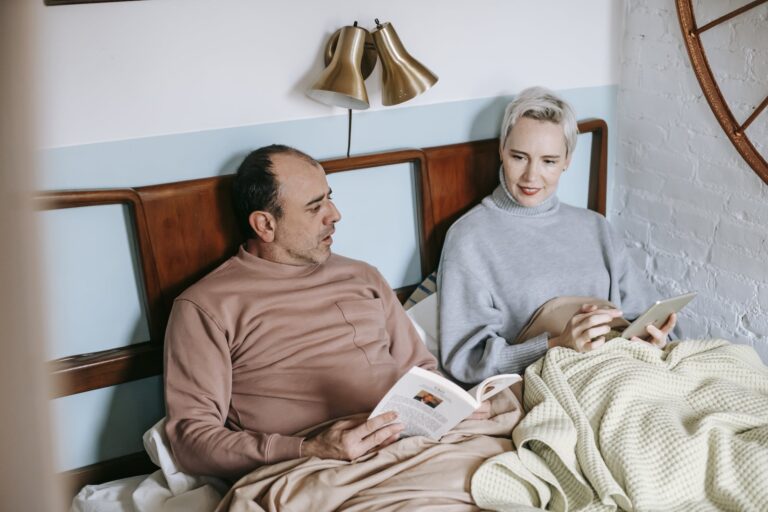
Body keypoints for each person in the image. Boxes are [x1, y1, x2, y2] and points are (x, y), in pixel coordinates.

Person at [163, 145, 442, 479]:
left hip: (412, 447)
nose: (335, 214)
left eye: (329, 197)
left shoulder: (362, 276)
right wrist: (309, 449)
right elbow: (192, 441)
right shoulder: (206, 306)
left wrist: (451, 408)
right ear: (265, 224)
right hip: (316, 469)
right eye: (315, 207)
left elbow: (421, 371)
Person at [438, 86, 679, 385]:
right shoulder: (469, 238)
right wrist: (555, 344)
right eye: (519, 157)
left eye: (548, 161)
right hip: (561, 384)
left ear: (567, 160)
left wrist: (656, 340)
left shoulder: (596, 227)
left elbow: (644, 314)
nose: (531, 176)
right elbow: (466, 360)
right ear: (501, 150)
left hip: (630, 370)